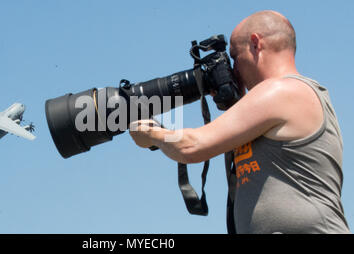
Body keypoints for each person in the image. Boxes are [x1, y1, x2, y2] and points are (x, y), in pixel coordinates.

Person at [129, 10, 350, 234]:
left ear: (256, 44)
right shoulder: (282, 98)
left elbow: (190, 146)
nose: (233, 70)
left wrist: (149, 133)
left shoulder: (283, 90)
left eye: (234, 57)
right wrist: (237, 104)